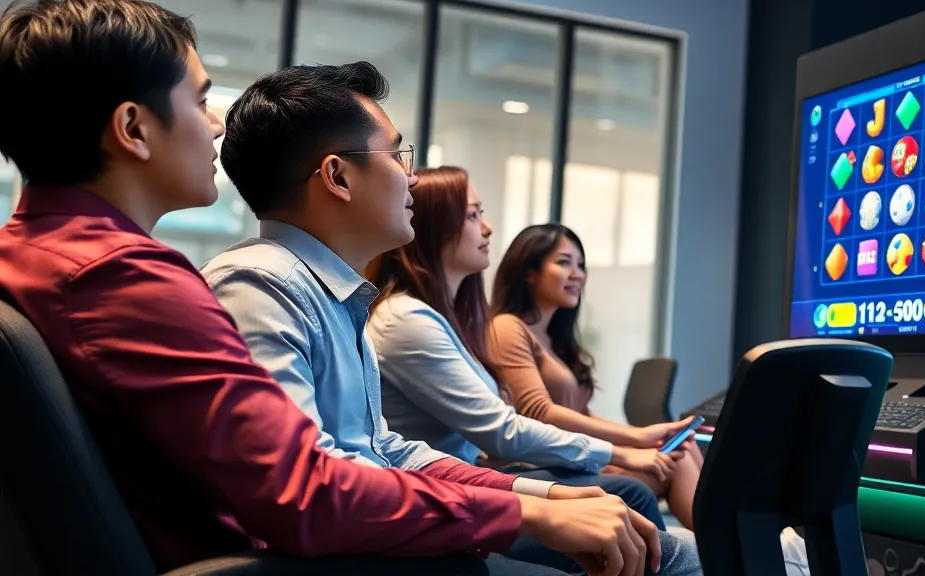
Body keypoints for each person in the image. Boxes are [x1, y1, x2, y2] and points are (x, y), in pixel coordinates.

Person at [0, 0, 666, 576]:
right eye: (201, 100)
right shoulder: (129, 278)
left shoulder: (35, 253)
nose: (216, 123)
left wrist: (530, 502)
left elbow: (366, 452)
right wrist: (525, 516)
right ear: (133, 129)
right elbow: (303, 497)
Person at [201, 62, 696, 576]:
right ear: (338, 177)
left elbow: (385, 449)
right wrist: (527, 512)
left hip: (380, 541)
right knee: (677, 556)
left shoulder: (335, 295)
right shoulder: (259, 286)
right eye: (396, 154)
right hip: (346, 558)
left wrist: (540, 495)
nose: (411, 176)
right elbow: (308, 489)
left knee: (665, 544)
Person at [365, 166, 694, 526]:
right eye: (473, 215)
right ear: (435, 227)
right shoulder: (408, 320)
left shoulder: (440, 320)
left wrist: (628, 445)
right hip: (448, 497)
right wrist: (624, 449)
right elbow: (507, 428)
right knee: (633, 492)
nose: (487, 228)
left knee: (671, 462)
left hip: (467, 479)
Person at [486, 225, 703, 530]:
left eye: (580, 265)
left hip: (569, 461)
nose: (577, 274)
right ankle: (728, 552)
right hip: (539, 473)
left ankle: (733, 546)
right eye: (564, 262)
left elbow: (581, 415)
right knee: (678, 460)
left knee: (683, 445)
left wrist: (645, 436)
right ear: (529, 272)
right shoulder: (508, 327)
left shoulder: (553, 341)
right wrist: (635, 440)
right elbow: (539, 413)